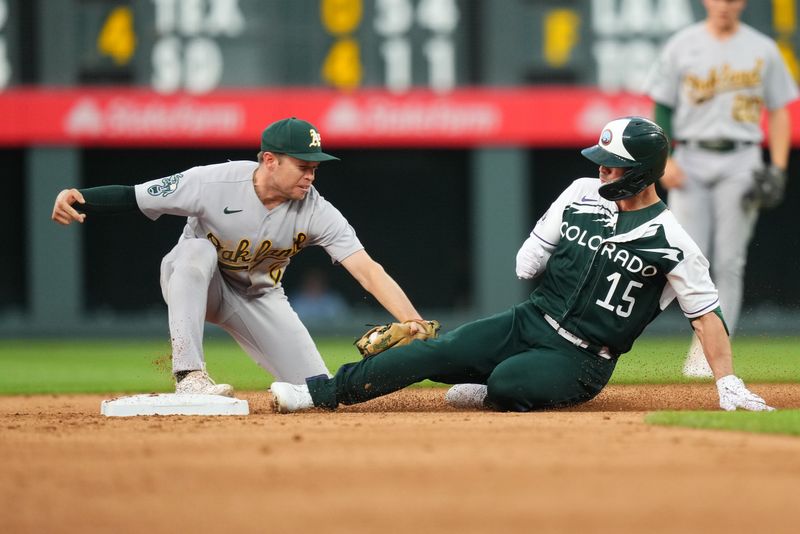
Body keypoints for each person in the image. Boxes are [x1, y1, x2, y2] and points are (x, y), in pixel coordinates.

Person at [269, 117, 774, 414]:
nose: (600, 169)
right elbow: (527, 262)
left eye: (612, 164)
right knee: (434, 349)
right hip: (530, 320)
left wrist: (726, 382)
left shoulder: (675, 243)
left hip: (583, 358)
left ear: (641, 171)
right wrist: (551, 244)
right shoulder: (580, 194)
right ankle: (319, 393)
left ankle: (490, 387)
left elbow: (706, 315)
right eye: (600, 159)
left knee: (510, 382)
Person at [51, 117, 429, 396]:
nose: (311, 176)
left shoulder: (316, 210)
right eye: (302, 166)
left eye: (314, 168)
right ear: (269, 160)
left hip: (259, 297)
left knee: (316, 390)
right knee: (197, 251)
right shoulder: (211, 182)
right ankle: (190, 375)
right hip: (200, 281)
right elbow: (134, 195)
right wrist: (76, 194)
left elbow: (367, 270)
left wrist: (413, 321)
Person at [644, 0, 798, 377]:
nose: (724, 4)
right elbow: (661, 106)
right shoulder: (682, 44)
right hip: (691, 156)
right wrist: (666, 159)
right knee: (684, 258)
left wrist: (777, 166)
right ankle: (699, 335)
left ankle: (709, 351)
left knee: (730, 261)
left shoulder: (762, 48)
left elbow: (779, 110)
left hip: (741, 158)